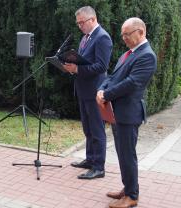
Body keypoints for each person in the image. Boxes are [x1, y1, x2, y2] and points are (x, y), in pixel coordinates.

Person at [96, 17, 157, 208]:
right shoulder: (128, 54)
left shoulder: (147, 55)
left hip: (129, 114)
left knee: (128, 155)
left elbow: (131, 83)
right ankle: (128, 187)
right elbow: (113, 76)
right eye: (122, 35)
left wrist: (106, 94)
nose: (124, 38)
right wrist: (101, 88)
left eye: (127, 34)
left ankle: (132, 196)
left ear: (141, 32)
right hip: (117, 113)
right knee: (122, 154)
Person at [63, 6, 113, 179]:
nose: (80, 26)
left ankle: (99, 167)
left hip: (95, 90)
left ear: (92, 19)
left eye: (82, 22)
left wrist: (77, 69)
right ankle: (90, 159)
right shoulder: (86, 37)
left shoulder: (102, 37)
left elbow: (101, 66)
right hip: (84, 89)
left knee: (97, 130)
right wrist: (71, 66)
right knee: (87, 128)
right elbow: (84, 62)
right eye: (78, 24)